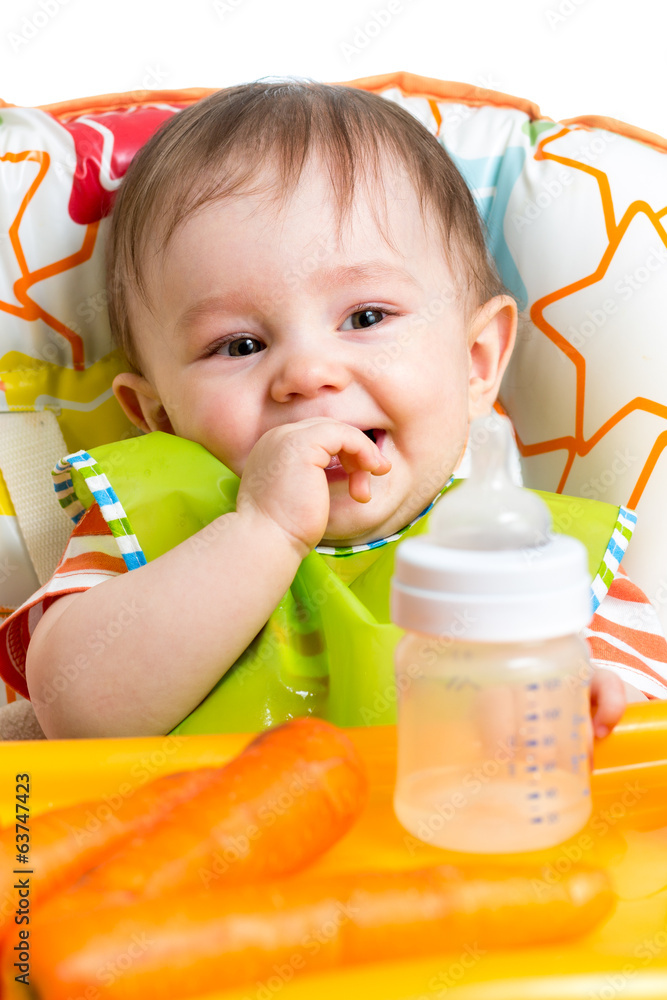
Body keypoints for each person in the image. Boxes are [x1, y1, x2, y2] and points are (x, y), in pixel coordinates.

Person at [1, 80, 664, 739]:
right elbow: (74, 713)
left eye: (366, 316)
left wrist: (588, 702)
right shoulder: (144, 531)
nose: (307, 373)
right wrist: (261, 531)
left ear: (475, 361)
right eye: (239, 345)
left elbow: (643, 731)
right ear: (160, 417)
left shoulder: (531, 558)